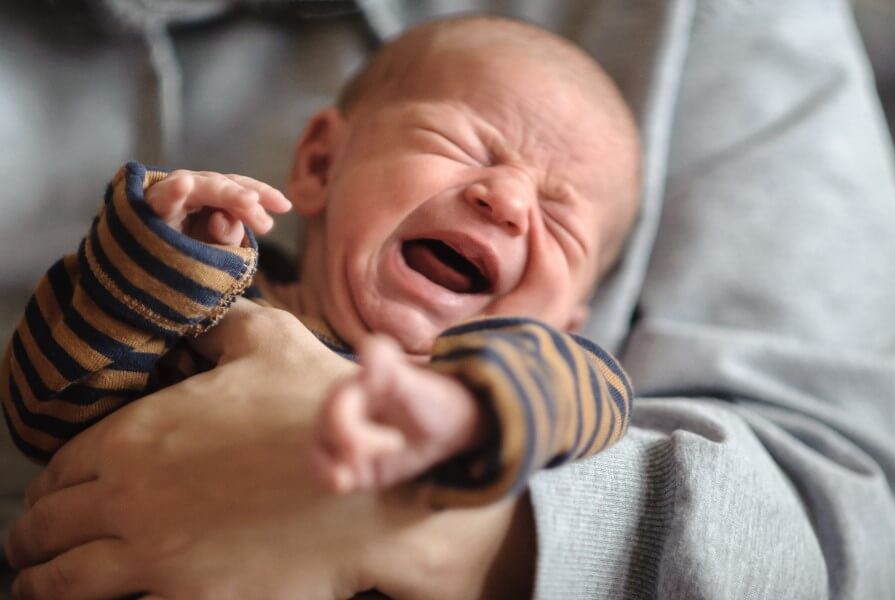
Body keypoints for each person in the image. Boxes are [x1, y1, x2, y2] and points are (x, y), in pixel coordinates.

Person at [0, 15, 640, 507]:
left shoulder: (552, 383)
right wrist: (157, 264)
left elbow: (589, 400)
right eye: (466, 147)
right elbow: (38, 413)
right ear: (320, 165)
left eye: (559, 218)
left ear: (570, 321)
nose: (507, 201)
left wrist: (469, 415)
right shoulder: (214, 300)